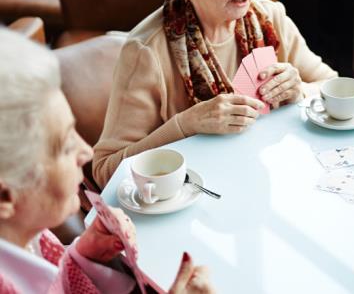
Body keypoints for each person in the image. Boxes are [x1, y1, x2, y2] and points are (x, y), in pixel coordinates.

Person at [93, 0, 337, 187]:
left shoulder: (270, 18)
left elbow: (332, 87)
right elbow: (106, 171)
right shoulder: (147, 52)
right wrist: (185, 125)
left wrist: (300, 91)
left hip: (264, 175)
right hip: (194, 199)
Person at [0, 28, 214, 293]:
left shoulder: (24, 231)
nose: (86, 151)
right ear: (5, 196)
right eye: (66, 145)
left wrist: (83, 256)